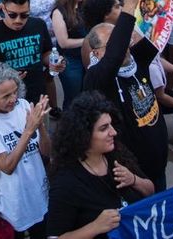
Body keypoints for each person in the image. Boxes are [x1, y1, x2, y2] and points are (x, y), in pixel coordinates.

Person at [83, 0, 168, 192]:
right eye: (110, 44)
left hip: (159, 166)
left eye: (119, 40)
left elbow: (152, 26)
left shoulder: (136, 60)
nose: (120, 46)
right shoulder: (96, 78)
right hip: (132, 175)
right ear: (97, 53)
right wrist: (128, 5)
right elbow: (113, 57)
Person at [46, 91, 155, 239]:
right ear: (83, 135)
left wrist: (134, 180)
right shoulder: (66, 183)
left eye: (111, 125)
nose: (113, 132)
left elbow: (151, 191)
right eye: (104, 128)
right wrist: (95, 227)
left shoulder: (117, 154)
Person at [0, 62, 51, 239]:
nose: (13, 99)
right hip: (9, 207)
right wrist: (29, 130)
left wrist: (41, 126)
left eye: (15, 92)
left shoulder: (23, 106)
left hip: (38, 197)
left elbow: (46, 154)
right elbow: (6, 166)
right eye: (6, 96)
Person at [0, 0, 57, 104]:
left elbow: (46, 53)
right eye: (13, 15)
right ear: (3, 9)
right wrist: (6, 80)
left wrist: (54, 61)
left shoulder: (39, 25)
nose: (18, 20)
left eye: (24, 15)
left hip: (37, 97)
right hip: (7, 102)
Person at [51, 0, 88, 108]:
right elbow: (63, 42)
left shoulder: (84, 7)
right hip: (70, 61)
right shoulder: (58, 12)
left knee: (87, 96)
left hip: (87, 58)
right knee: (73, 99)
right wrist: (87, 41)